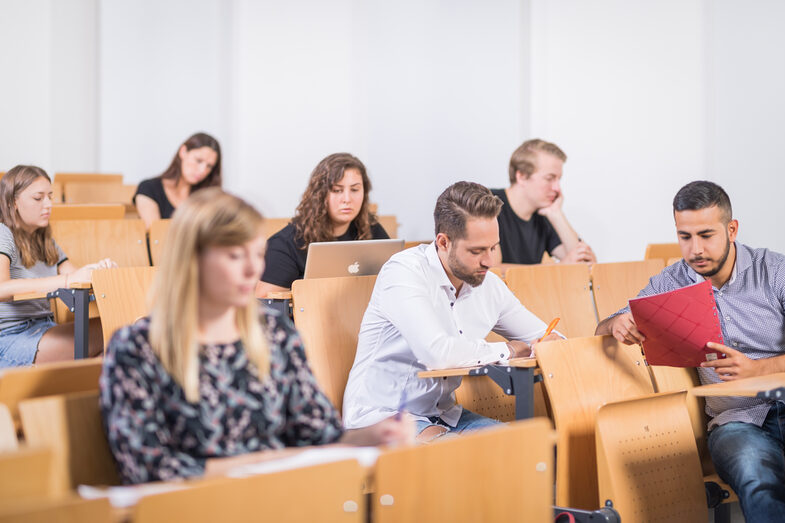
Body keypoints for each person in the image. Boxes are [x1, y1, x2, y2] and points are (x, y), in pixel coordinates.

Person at [100, 188, 411, 485]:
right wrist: (265, 465)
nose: (254, 269)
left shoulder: (275, 334)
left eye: (258, 254)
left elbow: (319, 435)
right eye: (236, 256)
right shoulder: (137, 348)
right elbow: (147, 469)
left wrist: (370, 437)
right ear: (193, 260)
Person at [595, 180, 785, 522]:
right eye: (685, 237)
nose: (695, 249)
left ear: (732, 229)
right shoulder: (672, 282)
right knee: (758, 478)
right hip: (736, 422)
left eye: (706, 235)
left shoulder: (775, 272)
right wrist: (617, 322)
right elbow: (608, 322)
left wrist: (757, 370)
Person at [342, 181, 560, 442]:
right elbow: (438, 354)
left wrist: (549, 343)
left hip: (444, 415)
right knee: (465, 460)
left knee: (527, 448)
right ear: (443, 242)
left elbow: (548, 336)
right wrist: (509, 350)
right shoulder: (403, 272)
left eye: (493, 247)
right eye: (476, 251)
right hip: (381, 417)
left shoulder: (488, 283)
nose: (490, 261)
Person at [0, 165, 115, 367]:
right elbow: (2, 289)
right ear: (13, 202)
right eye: (38, 198)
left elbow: (75, 275)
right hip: (11, 337)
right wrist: (69, 280)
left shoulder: (45, 239)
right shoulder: (3, 233)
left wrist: (98, 270)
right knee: (114, 332)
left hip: (45, 328)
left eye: (50, 197)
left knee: (113, 335)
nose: (48, 204)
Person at [257, 152, 389, 295]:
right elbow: (267, 304)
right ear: (319, 195)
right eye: (337, 190)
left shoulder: (371, 229)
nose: (347, 199)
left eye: (355, 190)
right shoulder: (285, 244)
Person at [491, 139, 595, 264]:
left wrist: (556, 214)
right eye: (549, 178)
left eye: (558, 180)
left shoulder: (543, 214)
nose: (557, 188)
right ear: (522, 176)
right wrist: (556, 270)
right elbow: (492, 270)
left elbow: (585, 263)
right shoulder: (488, 205)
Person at [134, 132, 222, 228]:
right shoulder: (149, 188)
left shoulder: (208, 196)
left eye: (209, 166)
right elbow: (156, 236)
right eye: (198, 161)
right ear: (183, 152)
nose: (203, 171)